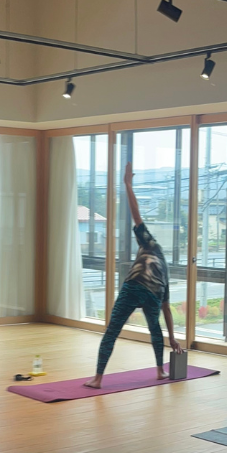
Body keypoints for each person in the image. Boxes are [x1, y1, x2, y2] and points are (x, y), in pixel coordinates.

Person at [84, 162, 179, 388]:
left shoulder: (150, 244)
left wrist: (127, 184)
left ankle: (98, 379)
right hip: (154, 292)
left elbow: (136, 215)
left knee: (112, 331)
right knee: (154, 329)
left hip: (134, 285)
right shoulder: (165, 272)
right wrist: (172, 338)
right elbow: (166, 309)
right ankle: (160, 371)